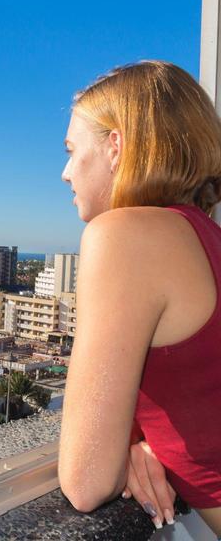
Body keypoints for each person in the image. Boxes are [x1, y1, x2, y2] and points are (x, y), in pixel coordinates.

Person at [58, 61, 221, 535]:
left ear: (116, 147)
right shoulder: (208, 239)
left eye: (71, 150)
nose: (66, 173)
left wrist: (119, 445)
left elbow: (87, 482)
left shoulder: (124, 236)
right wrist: (135, 436)